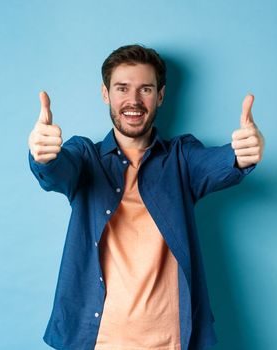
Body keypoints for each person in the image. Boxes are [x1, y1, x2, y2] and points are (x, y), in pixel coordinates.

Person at [27, 44, 264, 350]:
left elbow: (220, 163)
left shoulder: (182, 157)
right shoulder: (85, 157)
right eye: (122, 88)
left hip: (170, 341)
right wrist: (43, 156)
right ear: (105, 93)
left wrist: (244, 153)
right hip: (98, 340)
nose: (133, 101)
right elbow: (58, 170)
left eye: (146, 89)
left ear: (161, 96)